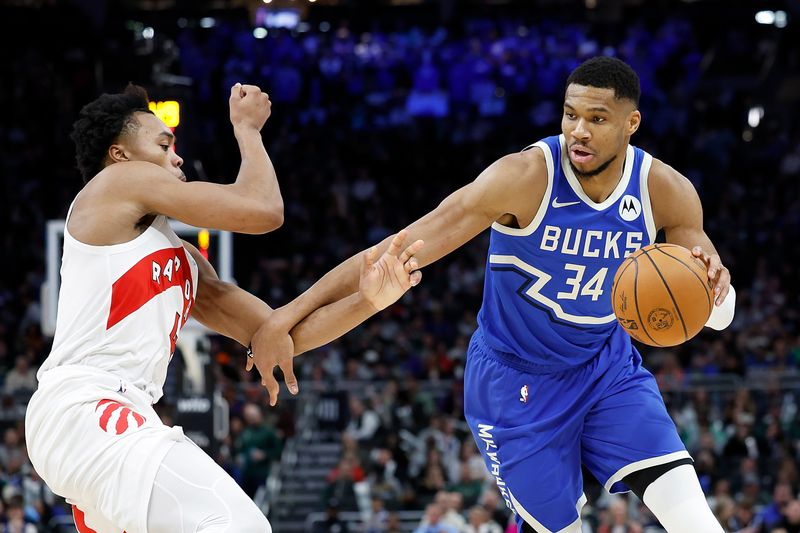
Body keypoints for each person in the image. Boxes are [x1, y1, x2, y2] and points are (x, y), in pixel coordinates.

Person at [253, 56, 737, 532]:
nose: (579, 131)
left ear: (632, 123)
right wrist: (284, 317)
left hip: (604, 368)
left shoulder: (665, 191)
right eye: (570, 115)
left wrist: (717, 292)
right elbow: (387, 254)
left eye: (597, 118)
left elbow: (715, 313)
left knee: (694, 517)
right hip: (515, 385)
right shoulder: (524, 178)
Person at [24, 83, 423, 533]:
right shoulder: (116, 182)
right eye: (163, 145)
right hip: (86, 406)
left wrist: (368, 301)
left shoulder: (186, 261)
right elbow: (262, 210)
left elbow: (277, 336)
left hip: (117, 415)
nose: (176, 157)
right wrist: (248, 129)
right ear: (119, 154)